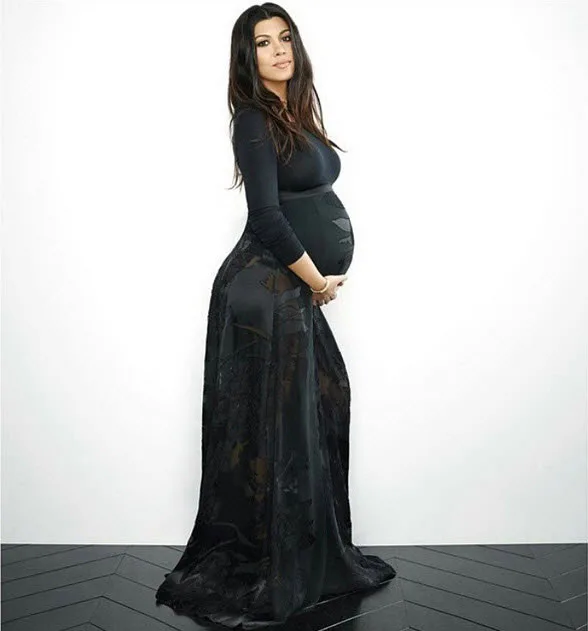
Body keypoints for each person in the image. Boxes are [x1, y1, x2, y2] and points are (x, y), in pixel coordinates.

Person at [155, 3, 396, 628]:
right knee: (279, 429)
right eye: (263, 43)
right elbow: (265, 215)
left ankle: (306, 555)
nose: (279, 50)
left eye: (284, 37)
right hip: (264, 287)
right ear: (248, 57)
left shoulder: (294, 113)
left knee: (319, 404)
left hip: (288, 287)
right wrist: (316, 280)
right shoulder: (254, 120)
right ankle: (273, 564)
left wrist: (312, 280)